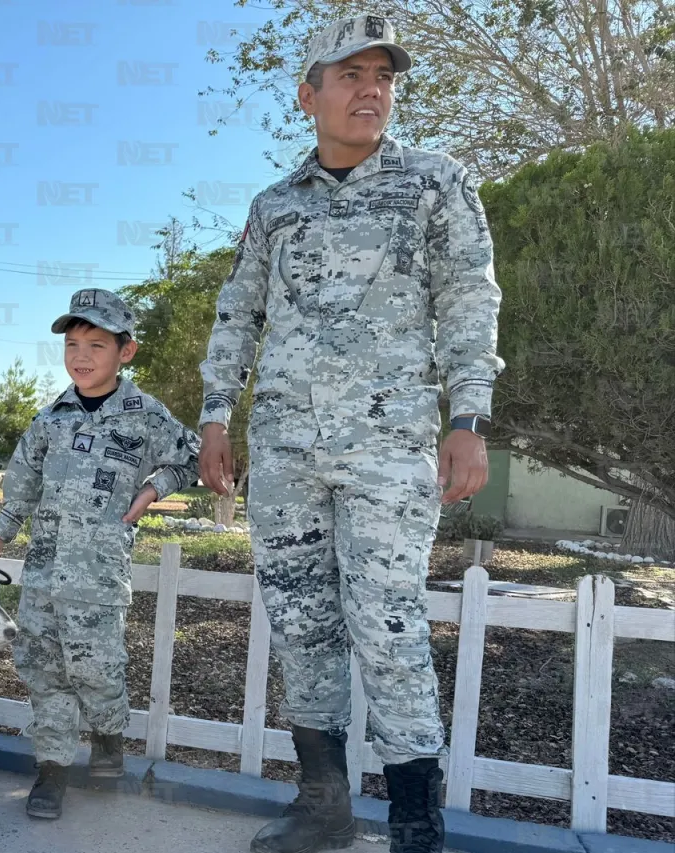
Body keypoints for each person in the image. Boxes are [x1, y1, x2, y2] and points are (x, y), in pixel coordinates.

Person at [197, 15, 504, 853]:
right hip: (288, 450)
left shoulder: (437, 183)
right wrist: (216, 411)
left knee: (389, 625)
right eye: (351, 75)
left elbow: (469, 304)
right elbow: (238, 314)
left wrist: (468, 416)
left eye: (384, 76)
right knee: (302, 624)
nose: (372, 89)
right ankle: (324, 806)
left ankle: (416, 825)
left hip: (389, 449)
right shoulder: (275, 205)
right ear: (309, 95)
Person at [0, 288, 201, 820]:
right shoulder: (49, 419)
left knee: (99, 669)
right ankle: (51, 771)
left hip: (100, 577)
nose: (80, 356)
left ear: (126, 351)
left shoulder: (145, 414)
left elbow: (192, 458)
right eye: (72, 344)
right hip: (44, 577)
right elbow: (18, 501)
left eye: (95, 344)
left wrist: (151, 491)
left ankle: (107, 739)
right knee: (44, 671)